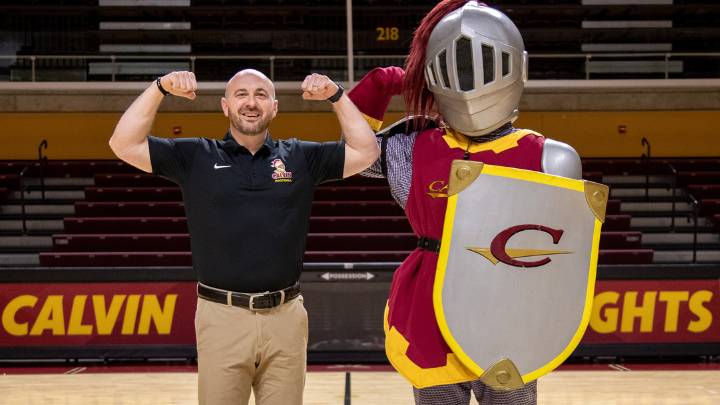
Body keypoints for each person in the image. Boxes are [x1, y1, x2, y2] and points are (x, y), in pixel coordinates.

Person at [347, 1, 582, 404]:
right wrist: (381, 83)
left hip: (512, 310)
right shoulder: (412, 145)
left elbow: (561, 262)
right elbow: (351, 155)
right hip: (430, 310)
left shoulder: (550, 158)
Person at [109, 69, 379, 405]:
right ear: (225, 106)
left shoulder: (300, 157)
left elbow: (367, 152)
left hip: (286, 317)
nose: (251, 102)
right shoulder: (196, 156)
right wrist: (160, 87)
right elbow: (123, 144)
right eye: (241, 95)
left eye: (261, 95)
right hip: (221, 316)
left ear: (275, 107)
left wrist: (336, 95)